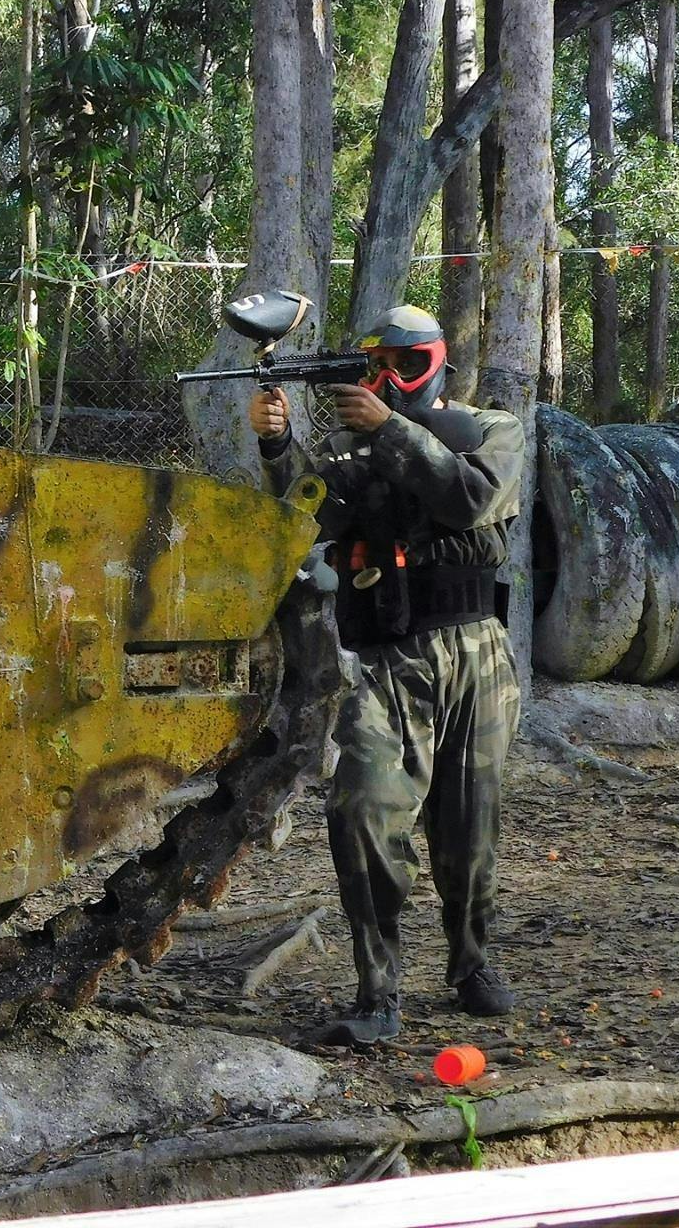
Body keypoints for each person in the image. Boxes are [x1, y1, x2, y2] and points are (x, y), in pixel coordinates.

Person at [248, 305, 524, 1043]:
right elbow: (314, 518)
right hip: (386, 659)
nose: (388, 381)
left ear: (438, 363)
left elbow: (470, 500)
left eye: (405, 366)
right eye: (378, 367)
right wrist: (279, 447)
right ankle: (378, 991)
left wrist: (389, 428)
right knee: (363, 808)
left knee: (470, 829)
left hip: (477, 655)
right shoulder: (353, 449)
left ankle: (471, 964)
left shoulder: (493, 431)